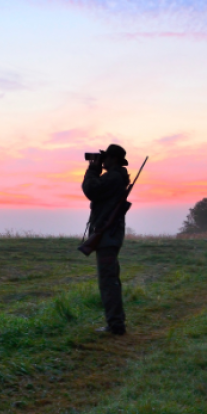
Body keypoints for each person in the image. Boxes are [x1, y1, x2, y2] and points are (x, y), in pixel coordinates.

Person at [81, 144, 130, 335]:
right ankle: (115, 323)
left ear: (114, 159)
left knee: (108, 282)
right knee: (110, 280)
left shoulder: (114, 177)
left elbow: (91, 190)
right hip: (109, 236)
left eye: (106, 157)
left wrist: (93, 169)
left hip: (107, 236)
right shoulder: (116, 177)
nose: (103, 161)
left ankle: (116, 325)